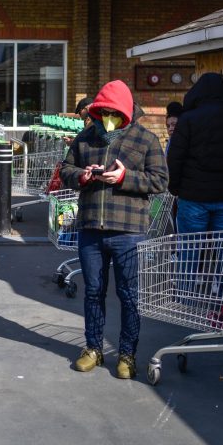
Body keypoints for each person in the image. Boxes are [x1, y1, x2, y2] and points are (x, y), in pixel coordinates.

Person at [59, 79, 168, 379]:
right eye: (103, 112)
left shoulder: (146, 140)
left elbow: (159, 180)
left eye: (113, 113)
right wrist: (83, 175)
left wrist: (124, 178)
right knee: (93, 291)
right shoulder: (86, 137)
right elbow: (65, 170)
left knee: (128, 294)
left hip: (128, 230)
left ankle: (127, 354)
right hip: (91, 227)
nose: (107, 118)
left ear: (125, 112)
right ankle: (93, 348)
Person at [168, 73, 223, 297]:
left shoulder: (188, 120)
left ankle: (185, 294)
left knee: (190, 247)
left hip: (193, 197)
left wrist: (175, 188)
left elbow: (175, 158)